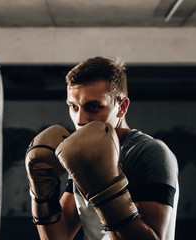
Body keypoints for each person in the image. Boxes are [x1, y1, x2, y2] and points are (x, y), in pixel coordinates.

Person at [25, 56, 179, 240]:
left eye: (93, 107)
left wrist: (106, 192)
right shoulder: (83, 154)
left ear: (122, 107)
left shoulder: (149, 153)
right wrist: (42, 194)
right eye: (73, 107)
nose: (80, 120)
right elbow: (59, 237)